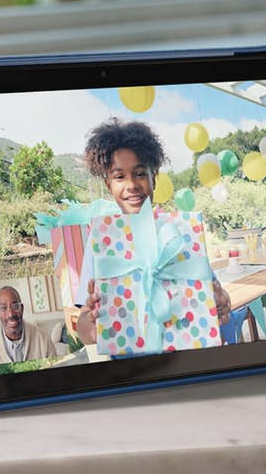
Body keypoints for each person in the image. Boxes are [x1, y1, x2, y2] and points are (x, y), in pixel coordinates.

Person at [75, 118, 231, 346]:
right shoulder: (101, 241)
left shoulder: (180, 232)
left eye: (139, 174)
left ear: (154, 178)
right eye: (119, 176)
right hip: (131, 371)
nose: (131, 185)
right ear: (109, 185)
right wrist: (93, 324)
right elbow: (83, 328)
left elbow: (213, 293)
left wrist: (222, 302)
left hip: (189, 360)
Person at [0, 285, 57, 367]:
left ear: (22, 308)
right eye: (4, 308)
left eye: (15, 307)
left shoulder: (44, 340)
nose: (11, 314)